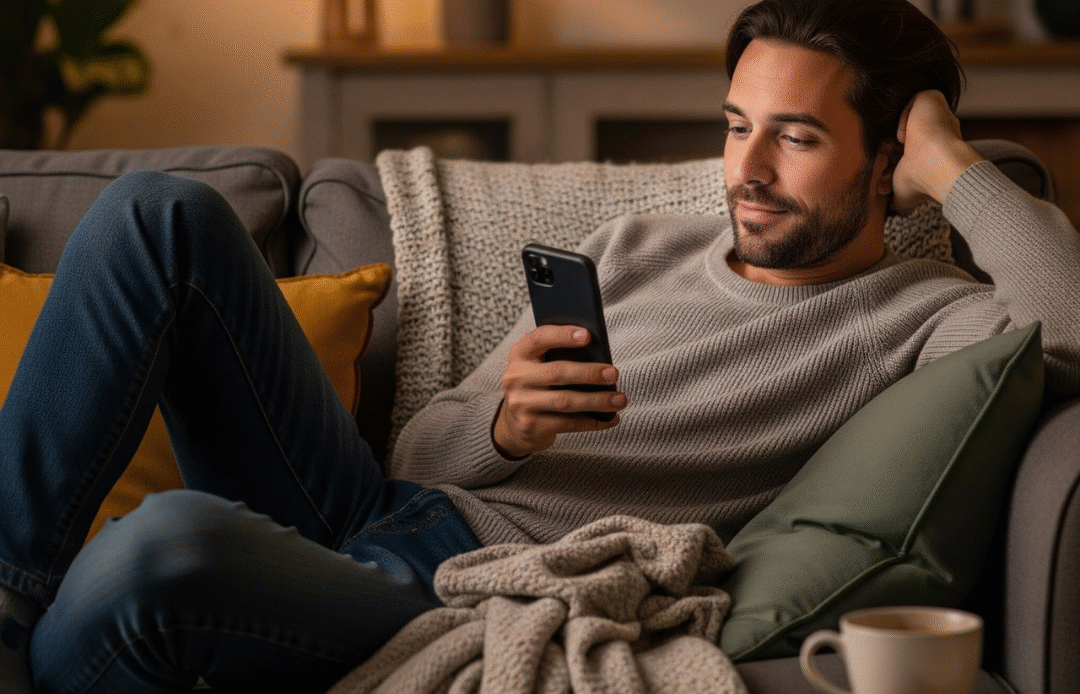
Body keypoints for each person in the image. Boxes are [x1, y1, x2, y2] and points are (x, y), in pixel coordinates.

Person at [1, 0, 1078, 692]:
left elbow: (1067, 333)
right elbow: (416, 459)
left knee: (159, 546)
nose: (747, 166)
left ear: (887, 157)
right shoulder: (636, 244)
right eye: (737, 123)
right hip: (383, 510)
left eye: (795, 137)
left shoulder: (925, 314)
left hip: (486, 589)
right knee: (157, 216)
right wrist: (502, 427)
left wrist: (954, 157)